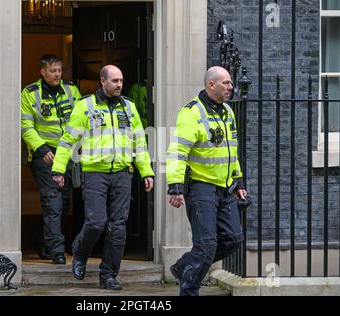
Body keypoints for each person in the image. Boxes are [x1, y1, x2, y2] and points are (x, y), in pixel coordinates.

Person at [51, 65, 154, 290]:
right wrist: (59, 170)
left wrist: (146, 172)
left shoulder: (129, 107)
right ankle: (80, 251)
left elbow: (140, 143)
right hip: (94, 172)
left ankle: (108, 275)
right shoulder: (84, 107)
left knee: (118, 227)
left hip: (123, 172)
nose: (119, 84)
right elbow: (68, 140)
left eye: (121, 80)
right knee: (96, 222)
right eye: (115, 80)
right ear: (102, 81)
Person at [166, 66, 247, 296]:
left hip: (224, 187)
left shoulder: (228, 112)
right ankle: (189, 290)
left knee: (233, 239)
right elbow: (178, 152)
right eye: (226, 83)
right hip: (200, 187)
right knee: (206, 246)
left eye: (230, 83)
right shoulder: (191, 113)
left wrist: (238, 182)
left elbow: (232, 151)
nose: (231, 87)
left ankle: (183, 266)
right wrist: (176, 187)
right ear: (211, 85)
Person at [21, 54, 82, 264]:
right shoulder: (30, 94)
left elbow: (81, 118)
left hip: (67, 154)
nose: (58, 74)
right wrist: (42, 148)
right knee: (52, 201)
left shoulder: (71, 90)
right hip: (44, 156)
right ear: (43, 72)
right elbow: (26, 126)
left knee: (63, 204)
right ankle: (57, 251)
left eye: (59, 70)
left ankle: (41, 241)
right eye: (53, 71)